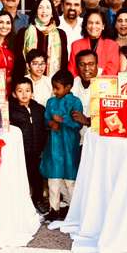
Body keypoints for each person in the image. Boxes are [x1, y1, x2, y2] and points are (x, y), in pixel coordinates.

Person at [41, 69, 85, 221]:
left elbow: (78, 124)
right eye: (53, 87)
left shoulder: (75, 102)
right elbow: (46, 119)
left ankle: (73, 210)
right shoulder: (51, 102)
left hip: (69, 146)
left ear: (68, 87)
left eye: (57, 88)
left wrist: (62, 121)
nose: (54, 91)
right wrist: (51, 123)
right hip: (54, 147)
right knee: (53, 180)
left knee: (70, 181)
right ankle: (54, 210)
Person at [9, 77, 49, 215]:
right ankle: (22, 204)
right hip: (20, 152)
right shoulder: (10, 110)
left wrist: (44, 148)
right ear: (14, 93)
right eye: (20, 91)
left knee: (36, 177)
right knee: (21, 178)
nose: (24, 94)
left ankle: (37, 200)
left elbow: (45, 130)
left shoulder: (39, 109)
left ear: (32, 92)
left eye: (27, 90)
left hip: (37, 150)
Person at [17, 0, 68, 81]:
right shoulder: (24, 33)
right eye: (40, 7)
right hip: (29, 84)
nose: (44, 11)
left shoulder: (61, 34)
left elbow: (64, 63)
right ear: (36, 11)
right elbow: (19, 62)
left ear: (52, 12)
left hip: (53, 84)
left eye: (48, 7)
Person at [69, 9, 120, 76]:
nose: (93, 26)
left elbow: (112, 70)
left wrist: (96, 84)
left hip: (104, 84)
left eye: (97, 23)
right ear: (85, 26)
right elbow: (72, 70)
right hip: (80, 85)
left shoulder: (112, 45)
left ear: (103, 26)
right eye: (90, 23)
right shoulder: (76, 45)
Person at [69, 49, 99, 145]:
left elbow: (112, 117)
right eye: (82, 64)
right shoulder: (70, 85)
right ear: (77, 67)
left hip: (96, 142)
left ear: (97, 65)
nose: (86, 68)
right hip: (73, 142)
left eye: (91, 64)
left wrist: (87, 121)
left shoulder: (107, 85)